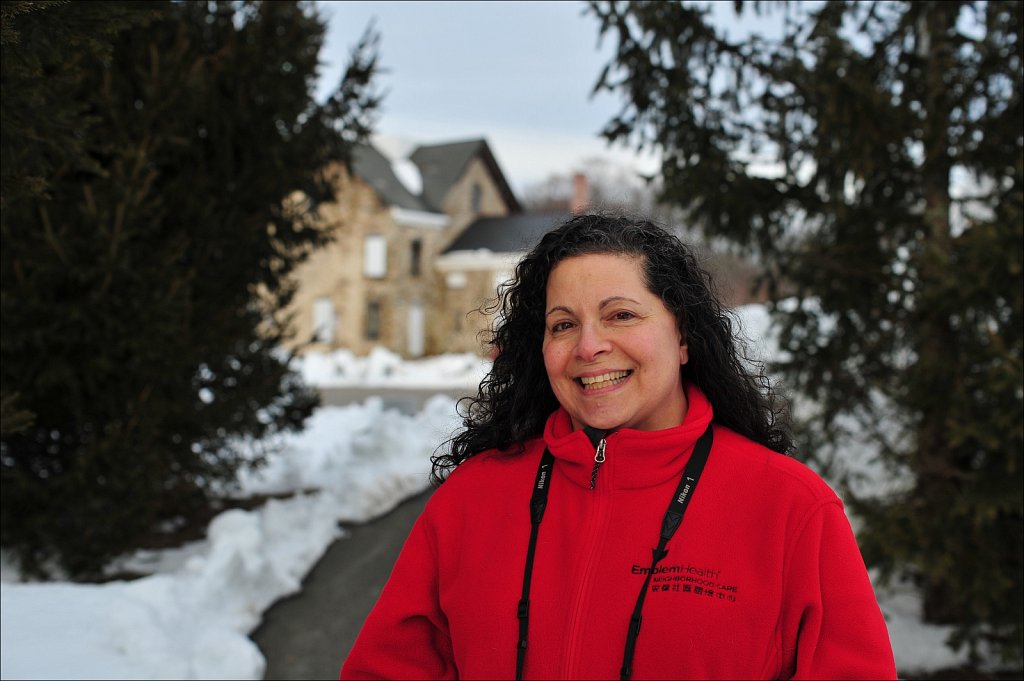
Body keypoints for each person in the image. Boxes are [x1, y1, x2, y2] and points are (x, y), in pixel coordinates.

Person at [340, 214, 897, 680]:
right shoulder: (472, 500)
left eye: (621, 315)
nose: (589, 346)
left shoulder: (791, 509)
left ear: (682, 337)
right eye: (562, 325)